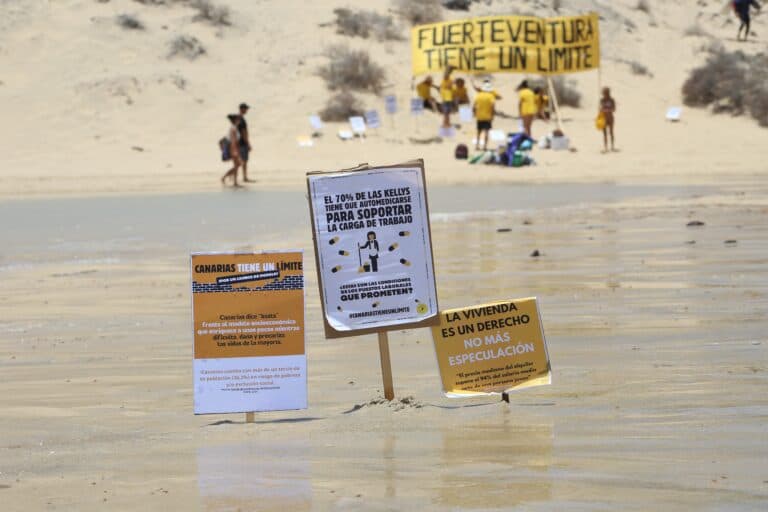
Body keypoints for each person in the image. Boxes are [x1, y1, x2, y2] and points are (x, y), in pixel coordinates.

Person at [473, 81, 496, 151]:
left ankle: (477, 145)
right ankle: (484, 147)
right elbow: (492, 106)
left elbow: (474, 106)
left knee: (479, 131)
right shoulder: (491, 96)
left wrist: (474, 113)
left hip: (479, 116)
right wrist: (492, 115)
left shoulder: (478, 95)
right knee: (486, 132)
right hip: (487, 116)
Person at [221, 114, 242, 187]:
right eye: (238, 119)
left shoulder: (233, 128)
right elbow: (233, 141)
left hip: (233, 148)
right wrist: (235, 151)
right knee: (237, 165)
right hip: (233, 148)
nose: (239, 121)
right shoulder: (233, 128)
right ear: (235, 120)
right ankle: (233, 181)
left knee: (237, 165)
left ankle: (227, 178)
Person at [236, 102, 254, 183]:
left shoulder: (239, 118)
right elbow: (243, 132)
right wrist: (248, 143)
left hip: (239, 142)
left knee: (242, 161)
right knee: (243, 161)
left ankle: (243, 177)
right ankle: (244, 177)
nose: (247, 110)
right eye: (246, 108)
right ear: (242, 109)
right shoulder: (241, 119)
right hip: (242, 143)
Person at [599, 87, 617, 153]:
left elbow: (614, 109)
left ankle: (612, 146)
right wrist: (602, 110)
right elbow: (600, 109)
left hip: (610, 118)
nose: (604, 94)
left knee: (611, 132)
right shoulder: (602, 100)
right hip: (604, 118)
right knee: (604, 133)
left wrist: (608, 110)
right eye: (604, 93)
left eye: (606, 92)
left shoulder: (612, 100)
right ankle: (606, 147)